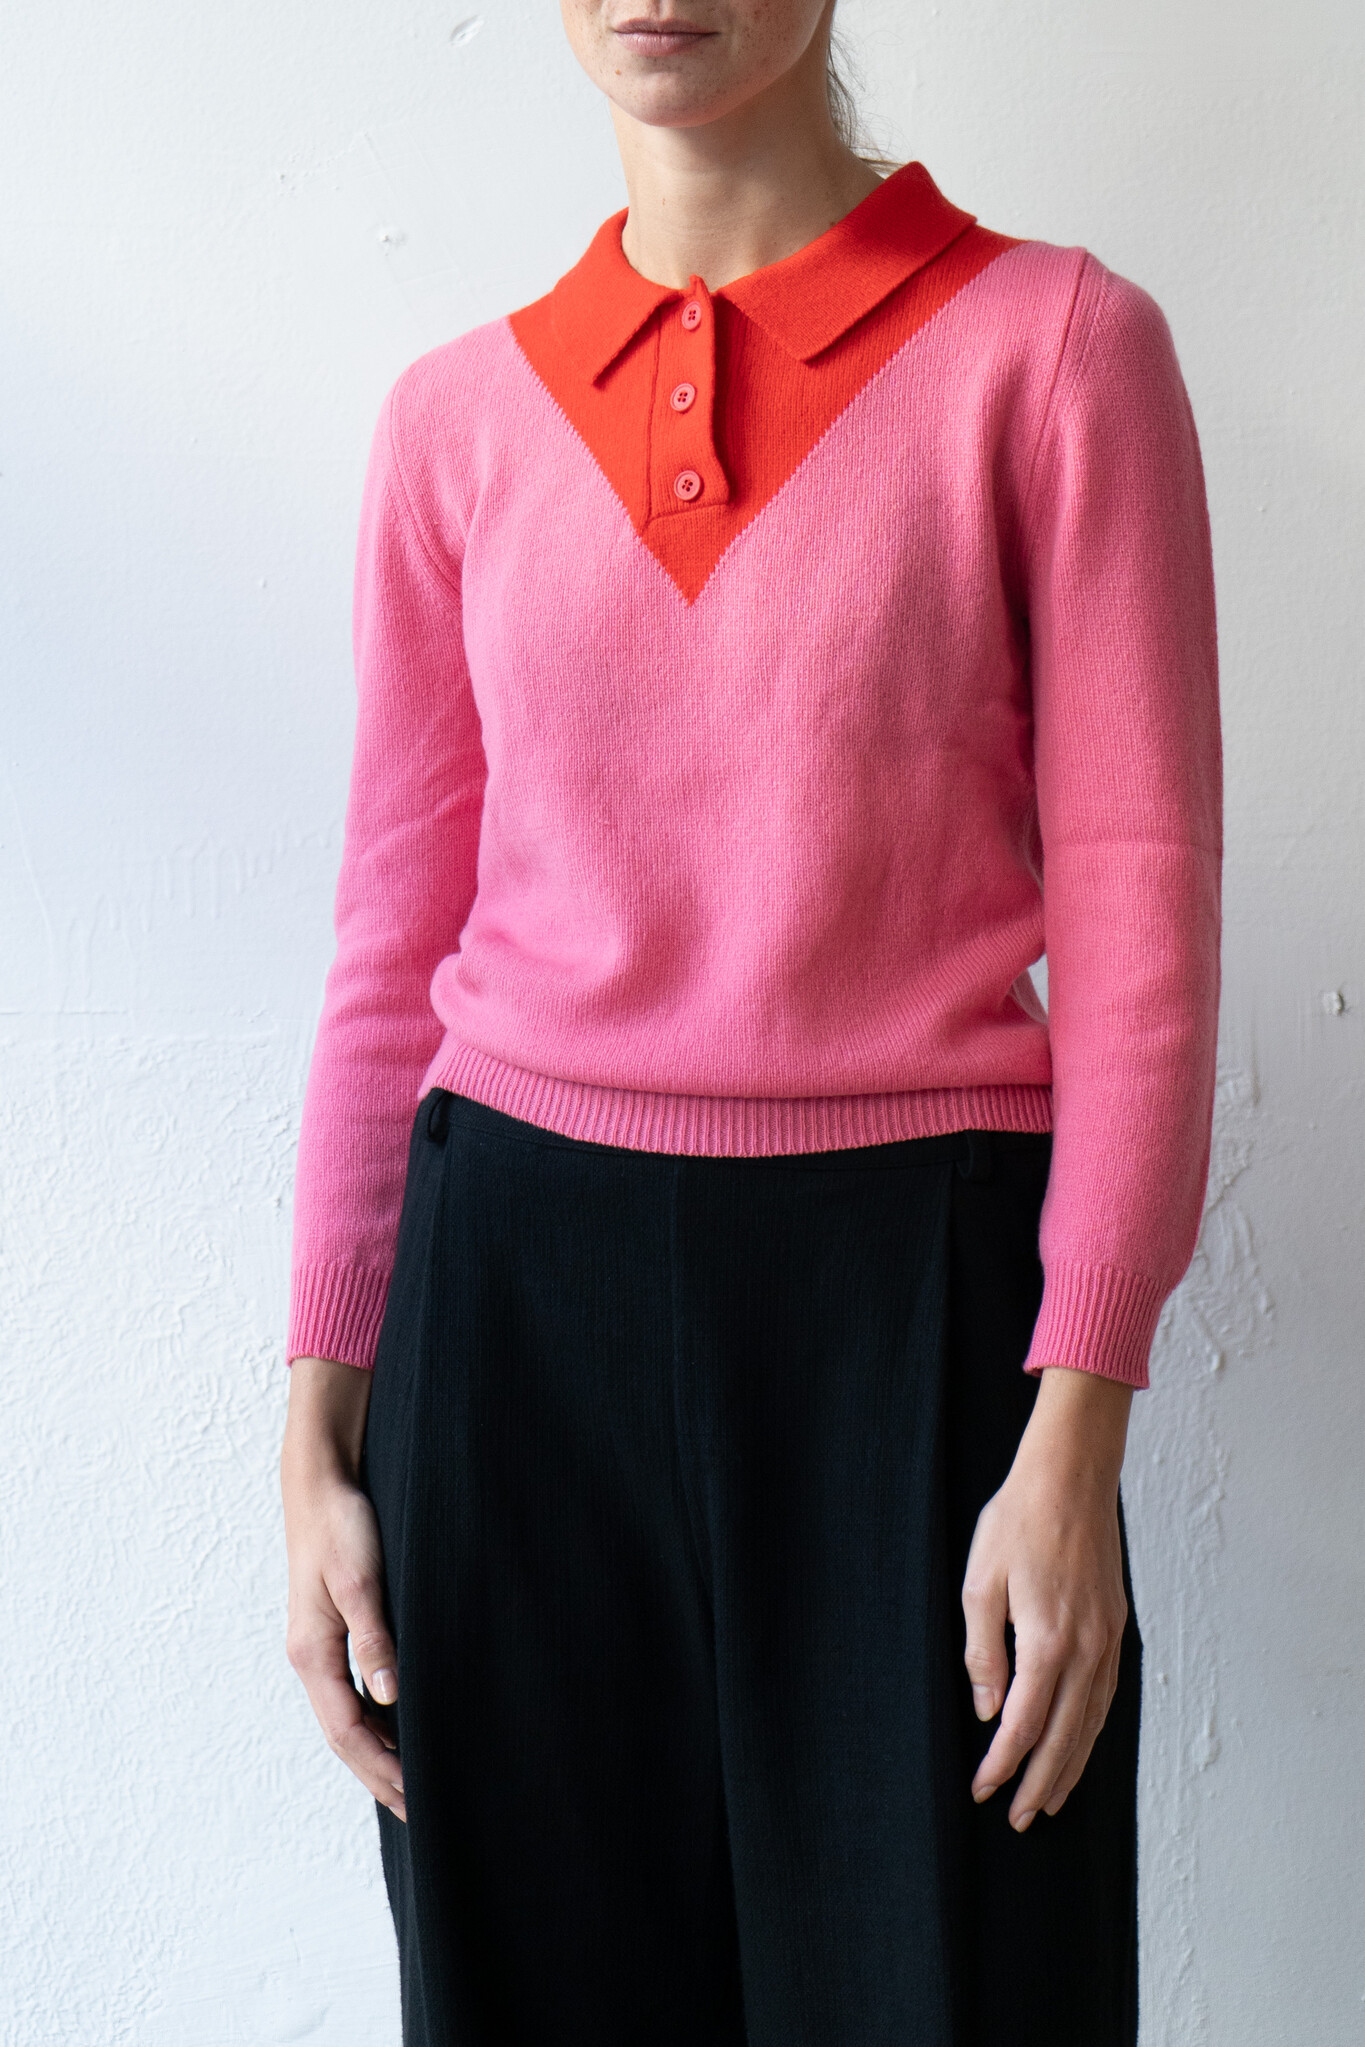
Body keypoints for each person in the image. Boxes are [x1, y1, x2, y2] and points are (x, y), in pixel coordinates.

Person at [278, 3, 1221, 2041]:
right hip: (505, 1325)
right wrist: (313, 1420)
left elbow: (1140, 922)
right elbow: (386, 938)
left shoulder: (1056, 352)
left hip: (916, 1320)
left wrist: (1072, 1431)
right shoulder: (455, 418)